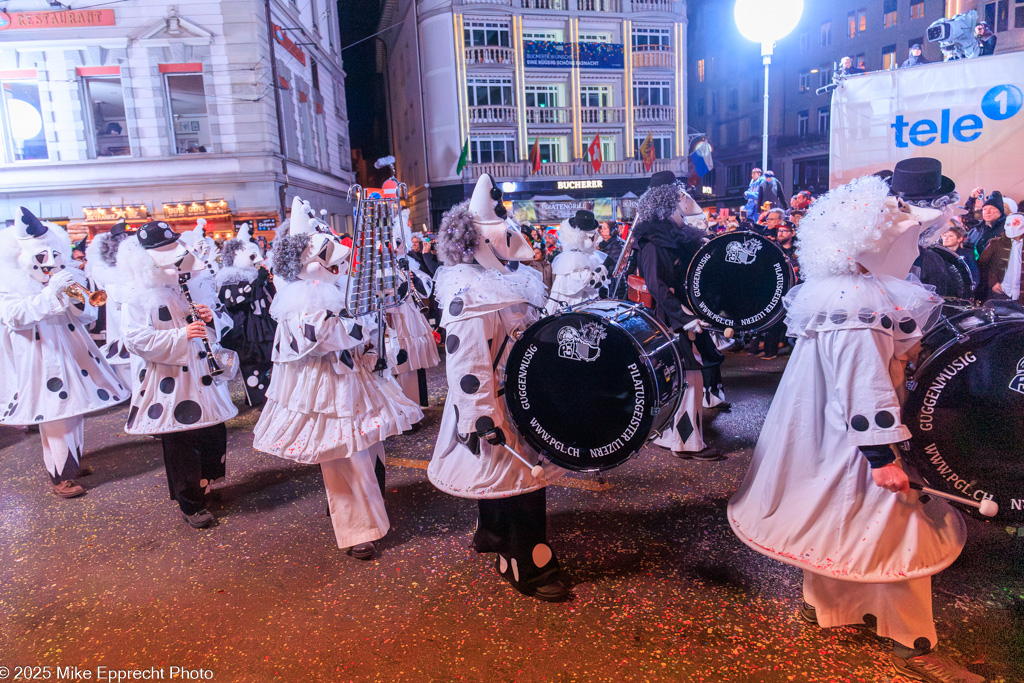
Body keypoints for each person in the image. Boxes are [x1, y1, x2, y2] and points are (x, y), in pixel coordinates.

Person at [729, 175, 983, 683]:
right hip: (859, 441)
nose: (915, 252)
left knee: (837, 522)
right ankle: (914, 644)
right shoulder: (857, 306)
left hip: (832, 438)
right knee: (901, 532)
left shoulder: (841, 293)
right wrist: (883, 458)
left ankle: (830, 607)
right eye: (907, 242)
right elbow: (863, 386)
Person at [253, 196, 422, 558]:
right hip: (326, 388)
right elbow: (322, 339)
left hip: (355, 381)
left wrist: (373, 341)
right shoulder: (299, 299)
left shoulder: (334, 290)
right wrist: (361, 320)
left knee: (367, 447)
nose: (339, 261)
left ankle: (367, 513)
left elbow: (362, 331)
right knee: (343, 455)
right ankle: (356, 528)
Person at [431, 174, 568, 601]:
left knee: (501, 474)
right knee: (518, 479)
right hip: (498, 402)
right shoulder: (469, 292)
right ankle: (525, 565)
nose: (514, 237)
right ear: (479, 241)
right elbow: (467, 362)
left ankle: (490, 534)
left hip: (522, 396)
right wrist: (482, 416)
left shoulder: (511, 280)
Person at [0, 207, 127, 498]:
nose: (50, 264)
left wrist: (77, 297)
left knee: (75, 409)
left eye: (54, 257)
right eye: (42, 259)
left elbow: (85, 316)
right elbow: (15, 316)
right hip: (39, 355)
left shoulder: (58, 276)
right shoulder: (9, 284)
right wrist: (49, 293)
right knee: (55, 412)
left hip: (70, 350)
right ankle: (60, 475)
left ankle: (72, 463)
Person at [118, 220, 238, 528]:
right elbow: (134, 339)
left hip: (201, 375)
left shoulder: (191, 285)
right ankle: (189, 502)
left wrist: (212, 320)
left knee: (212, 431)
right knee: (182, 440)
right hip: (170, 381)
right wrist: (180, 336)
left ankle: (205, 485)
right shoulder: (137, 296)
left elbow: (220, 327)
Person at [632, 171, 723, 460]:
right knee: (689, 379)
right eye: (679, 196)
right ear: (667, 202)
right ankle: (686, 442)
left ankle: (674, 436)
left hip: (682, 317)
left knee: (688, 378)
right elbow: (657, 287)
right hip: (671, 320)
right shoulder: (654, 242)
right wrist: (684, 318)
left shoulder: (670, 237)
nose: (685, 200)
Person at [215, 224, 277, 407]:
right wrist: (258, 281)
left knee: (267, 357)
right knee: (251, 360)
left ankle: (266, 392)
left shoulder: (256, 274)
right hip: (246, 326)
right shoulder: (229, 277)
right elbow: (235, 299)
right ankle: (256, 395)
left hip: (262, 323)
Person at [386, 209, 441, 410]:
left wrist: (415, 281)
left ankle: (416, 403)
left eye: (399, 244)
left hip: (410, 318)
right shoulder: (383, 266)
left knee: (413, 358)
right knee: (397, 361)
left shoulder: (410, 264)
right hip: (393, 320)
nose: (396, 248)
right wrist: (397, 291)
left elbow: (426, 288)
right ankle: (401, 407)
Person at [85, 219, 136, 391]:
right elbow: (117, 295)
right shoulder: (104, 268)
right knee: (125, 361)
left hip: (139, 321)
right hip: (120, 320)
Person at [545, 210, 611, 315]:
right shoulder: (572, 259)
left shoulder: (589, 255)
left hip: (587, 303)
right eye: (591, 237)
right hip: (573, 304)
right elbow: (587, 282)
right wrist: (605, 268)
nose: (598, 240)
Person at [978, 212, 1024, 305]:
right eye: (1008, 224)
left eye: (1015, 223)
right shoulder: (995, 243)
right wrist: (993, 282)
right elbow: (983, 265)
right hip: (1001, 292)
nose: (1011, 227)